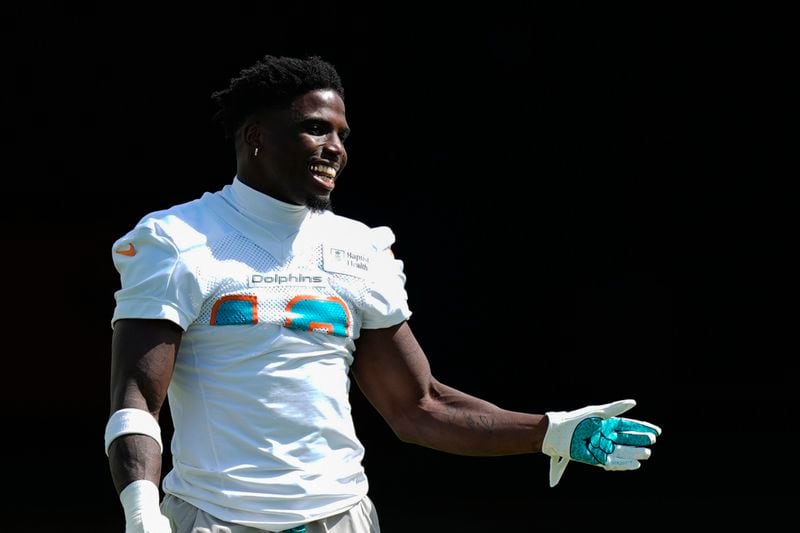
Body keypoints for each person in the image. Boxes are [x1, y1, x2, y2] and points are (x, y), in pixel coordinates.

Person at [105, 54, 662, 533]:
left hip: (342, 517)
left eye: (342, 136)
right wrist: (142, 514)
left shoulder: (360, 249)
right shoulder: (177, 240)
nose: (335, 148)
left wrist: (553, 431)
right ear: (255, 137)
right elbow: (136, 402)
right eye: (316, 129)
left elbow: (419, 406)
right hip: (211, 517)